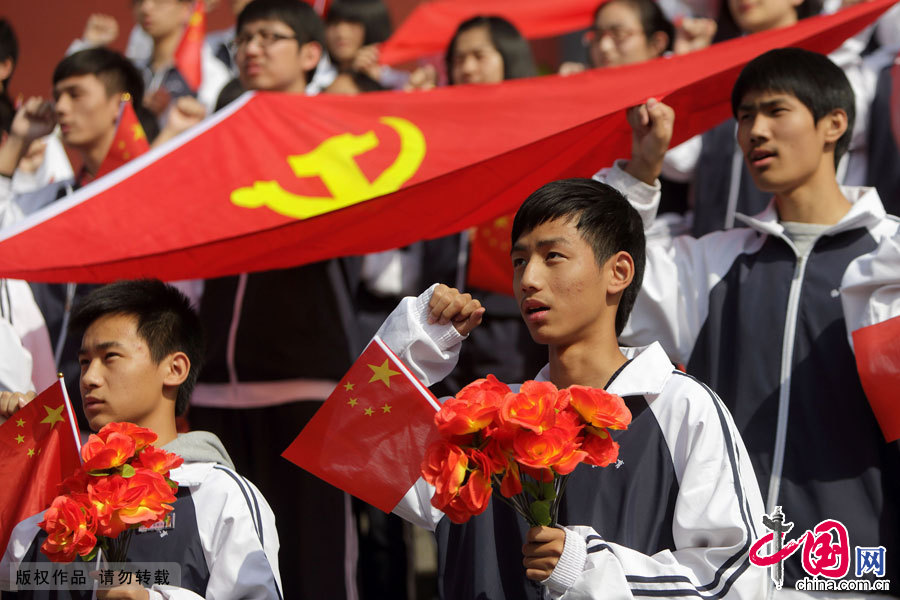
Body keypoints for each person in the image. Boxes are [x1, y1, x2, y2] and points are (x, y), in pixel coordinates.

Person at [374, 177, 766, 598]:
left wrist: (589, 569)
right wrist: (416, 342)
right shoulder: (481, 417)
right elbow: (358, 446)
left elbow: (739, 580)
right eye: (520, 261)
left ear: (618, 272)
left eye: (553, 256)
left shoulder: (680, 406)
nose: (528, 279)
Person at [603, 48, 900, 595]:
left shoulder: (890, 259)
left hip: (855, 566)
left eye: (775, 111)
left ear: (835, 123)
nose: (755, 131)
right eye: (744, 117)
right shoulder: (715, 262)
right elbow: (606, 289)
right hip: (728, 572)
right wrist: (641, 173)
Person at [190, 2, 356, 598]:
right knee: (222, 565)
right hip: (211, 390)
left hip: (304, 386)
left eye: (270, 36)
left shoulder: (339, 134)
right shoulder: (215, 137)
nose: (253, 47)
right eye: (244, 38)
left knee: (314, 565)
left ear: (311, 54)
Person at [0, 279, 282, 599]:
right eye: (83, 362)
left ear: (174, 369)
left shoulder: (218, 497)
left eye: (110, 357)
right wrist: (11, 453)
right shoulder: (53, 505)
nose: (89, 378)